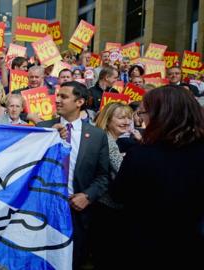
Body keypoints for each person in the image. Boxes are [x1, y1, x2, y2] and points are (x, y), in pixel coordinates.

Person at [110, 85, 204, 269]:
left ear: (160, 115)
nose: (141, 119)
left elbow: (118, 194)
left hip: (147, 247)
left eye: (142, 113)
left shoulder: (140, 155)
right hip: (192, 247)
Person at [36, 81, 109, 270]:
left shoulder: (96, 136)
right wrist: (47, 139)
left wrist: (88, 196)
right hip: (43, 211)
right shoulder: (42, 129)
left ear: (80, 102)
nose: (57, 100)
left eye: (64, 96)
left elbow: (103, 176)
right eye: (57, 96)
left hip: (78, 213)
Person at [92, 102, 134, 270]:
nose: (126, 121)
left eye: (128, 118)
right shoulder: (108, 141)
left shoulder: (110, 140)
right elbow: (123, 169)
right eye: (121, 117)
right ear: (107, 120)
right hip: (106, 206)